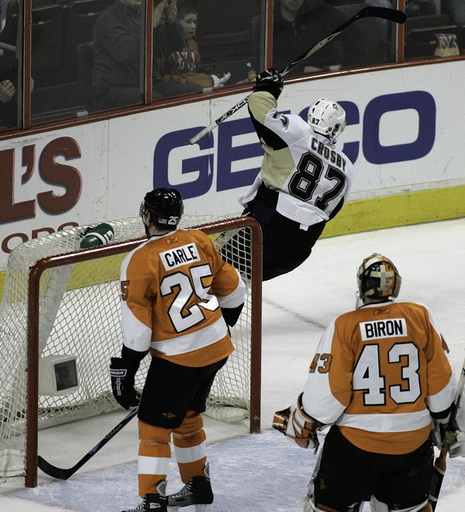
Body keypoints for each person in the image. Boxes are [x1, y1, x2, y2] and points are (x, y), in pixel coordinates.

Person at [273, 253, 465, 512]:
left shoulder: (345, 325)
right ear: (395, 285)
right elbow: (441, 392)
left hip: (354, 448)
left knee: (329, 507)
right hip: (412, 447)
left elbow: (329, 398)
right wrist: (444, 422)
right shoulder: (420, 315)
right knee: (411, 507)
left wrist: (304, 420)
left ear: (361, 286)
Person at [110, 188, 246, 512]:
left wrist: (126, 370)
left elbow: (139, 331)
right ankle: (198, 485)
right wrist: (217, 327)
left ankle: (152, 502)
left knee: (154, 430)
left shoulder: (139, 259)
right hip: (216, 348)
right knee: (187, 417)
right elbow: (235, 290)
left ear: (147, 216)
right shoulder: (199, 240)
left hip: (178, 358)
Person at [232, 68, 353, 281]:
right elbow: (332, 211)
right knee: (241, 284)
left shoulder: (299, 133)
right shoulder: (347, 167)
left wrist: (269, 87)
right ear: (337, 128)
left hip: (267, 228)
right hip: (298, 250)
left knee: (216, 274)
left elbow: (261, 111)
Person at [92, 0, 200, 110]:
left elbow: (176, 46)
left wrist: (171, 21)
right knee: (156, 99)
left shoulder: (146, 13)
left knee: (192, 91)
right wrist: (150, 26)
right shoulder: (108, 19)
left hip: (148, 83)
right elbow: (125, 53)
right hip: (115, 88)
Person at [254, 0, 368, 76]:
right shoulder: (267, 23)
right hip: (288, 83)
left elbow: (356, 35)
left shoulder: (319, 11)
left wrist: (344, 68)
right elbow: (261, 63)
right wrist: (300, 70)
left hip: (328, 76)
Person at [161, 0, 231, 90]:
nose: (193, 26)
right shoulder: (165, 44)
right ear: (177, 22)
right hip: (175, 89)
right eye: (188, 22)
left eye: (195, 22)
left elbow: (196, 69)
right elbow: (163, 77)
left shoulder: (193, 44)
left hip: (196, 87)